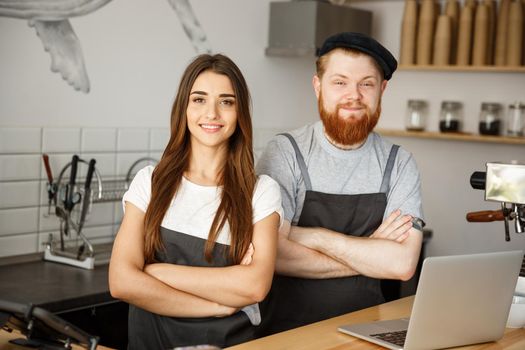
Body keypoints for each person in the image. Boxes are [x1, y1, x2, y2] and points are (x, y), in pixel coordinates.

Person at [109, 53, 283, 349]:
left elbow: (254, 287)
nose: (212, 113)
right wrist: (217, 305)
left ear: (240, 113)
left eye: (226, 101)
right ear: (184, 108)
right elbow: (121, 282)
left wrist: (155, 272)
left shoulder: (261, 191)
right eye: (199, 99)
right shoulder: (150, 182)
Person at [256, 32, 425, 335]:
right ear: (317, 86)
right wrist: (372, 251)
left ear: (382, 90)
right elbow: (272, 255)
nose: (354, 95)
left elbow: (402, 265)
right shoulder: (286, 152)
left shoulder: (399, 163)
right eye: (340, 82)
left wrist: (316, 237)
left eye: (367, 84)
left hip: (369, 332)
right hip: (287, 333)